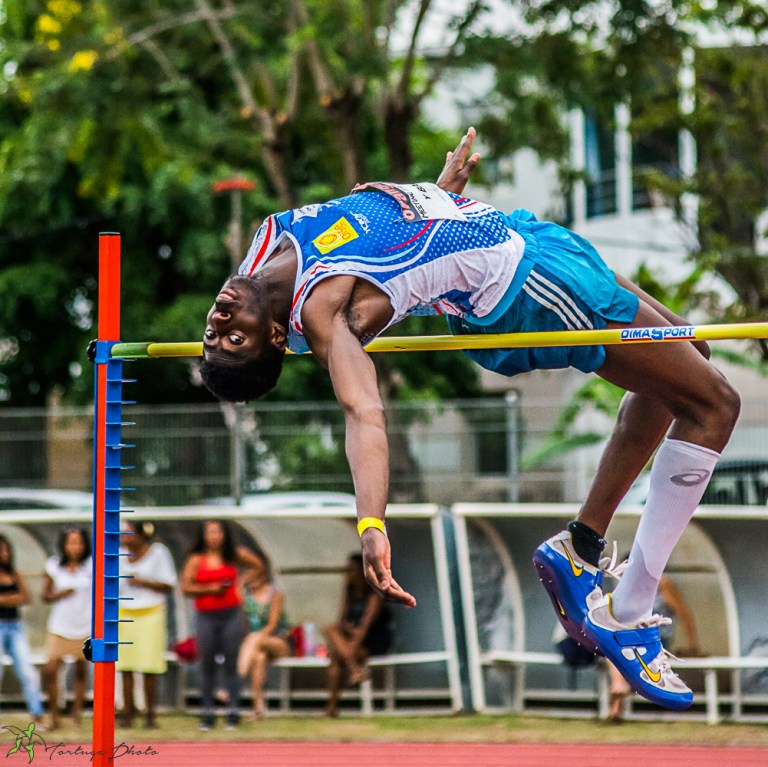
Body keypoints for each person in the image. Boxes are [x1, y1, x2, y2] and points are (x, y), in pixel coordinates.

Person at [198, 127, 740, 710]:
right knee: (715, 405)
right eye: (235, 337)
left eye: (213, 332)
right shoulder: (328, 310)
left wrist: (437, 195)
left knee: (689, 367)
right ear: (277, 335)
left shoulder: (261, 250)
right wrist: (371, 525)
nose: (221, 319)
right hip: (525, 279)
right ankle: (628, 612)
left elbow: (388, 248)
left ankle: (581, 546)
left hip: (514, 237)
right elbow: (364, 413)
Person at [180, 519, 265, 731]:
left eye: (218, 532)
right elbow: (186, 587)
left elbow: (258, 565)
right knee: (206, 662)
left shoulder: (234, 555)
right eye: (210, 532)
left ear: (224, 534)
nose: (214, 536)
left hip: (231, 614)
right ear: (203, 535)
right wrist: (210, 589)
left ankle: (233, 711)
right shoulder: (196, 559)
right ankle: (207, 712)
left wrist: (242, 582)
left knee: (231, 662)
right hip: (206, 615)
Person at [605, 573, 700, 722]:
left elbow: (683, 612)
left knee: (619, 644)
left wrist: (692, 645)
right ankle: (618, 695)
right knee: (614, 643)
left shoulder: (663, 583)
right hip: (631, 636)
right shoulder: (621, 582)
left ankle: (618, 694)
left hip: (655, 639)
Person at [116, 520, 178, 729]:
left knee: (150, 666)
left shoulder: (158, 552)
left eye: (129, 532)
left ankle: (150, 713)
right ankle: (127, 711)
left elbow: (169, 584)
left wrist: (142, 581)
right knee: (125, 666)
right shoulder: (117, 554)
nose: (124, 536)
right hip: (124, 612)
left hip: (151, 612)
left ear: (141, 534)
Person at [323, 553, 392, 718]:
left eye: (351, 570)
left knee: (336, 656)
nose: (348, 574)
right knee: (331, 632)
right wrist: (347, 630)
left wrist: (352, 643)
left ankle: (332, 706)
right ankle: (354, 669)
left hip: (372, 642)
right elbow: (342, 622)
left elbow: (365, 627)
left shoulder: (375, 595)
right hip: (352, 642)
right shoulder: (349, 593)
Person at [42, 527, 92, 730]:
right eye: (71, 542)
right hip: (60, 625)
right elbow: (45, 595)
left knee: (81, 671)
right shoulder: (54, 566)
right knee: (51, 669)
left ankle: (76, 715)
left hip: (85, 625)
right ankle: (53, 714)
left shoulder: (91, 567)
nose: (75, 547)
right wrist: (61, 594)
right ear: (63, 545)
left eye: (78, 542)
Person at [236, 554, 289, 720]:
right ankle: (258, 708)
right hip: (256, 647)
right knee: (259, 657)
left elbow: (273, 624)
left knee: (255, 639)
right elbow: (235, 595)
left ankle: (236, 682)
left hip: (278, 642)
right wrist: (240, 583)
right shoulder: (247, 597)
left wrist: (256, 637)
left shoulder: (275, 594)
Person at [0, 535, 45, 727]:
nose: (5, 554)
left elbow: (25, 597)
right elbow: (17, 597)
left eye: (7, 550)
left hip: (15, 625)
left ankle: (37, 716)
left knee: (27, 672)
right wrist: (13, 597)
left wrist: (4, 599)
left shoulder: (14, 573)